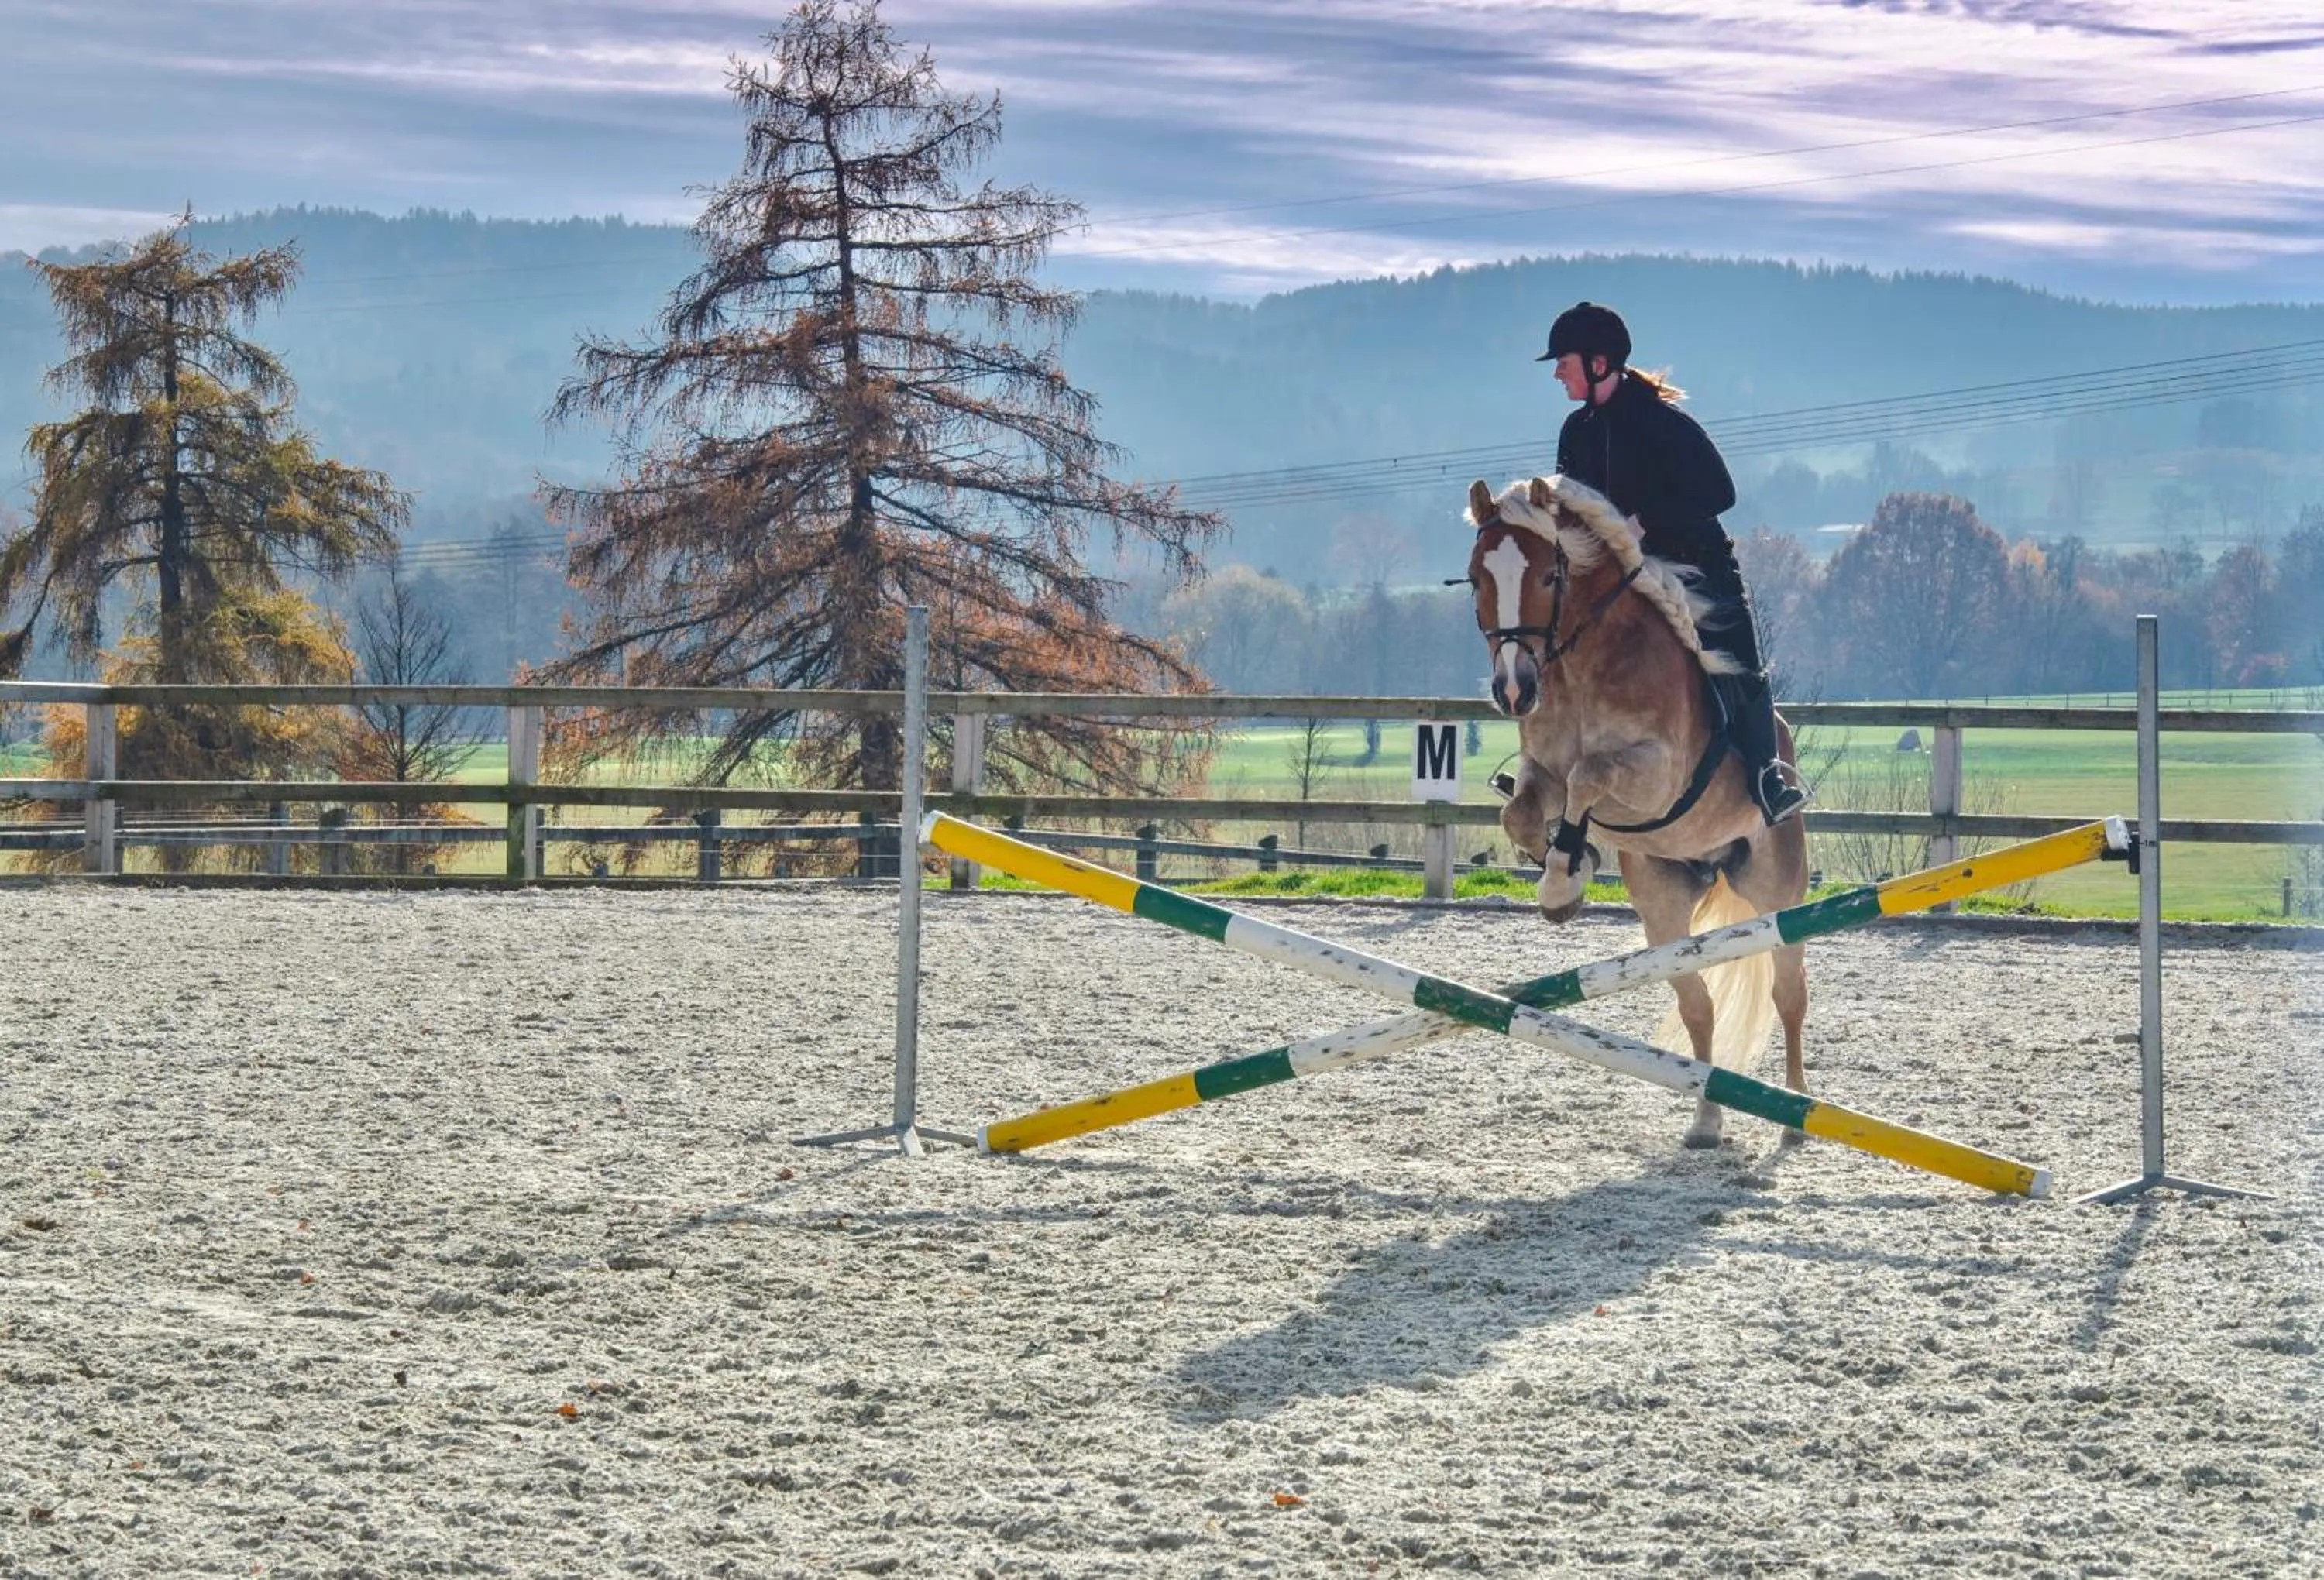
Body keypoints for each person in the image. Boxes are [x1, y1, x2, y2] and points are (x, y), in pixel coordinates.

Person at [1540, 300, 1807, 825]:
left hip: (1693, 566)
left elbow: (1721, 492)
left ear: (1598, 364)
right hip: (1619, 578)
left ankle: (1766, 776)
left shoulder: (1665, 424)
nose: (1557, 374)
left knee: (1739, 658)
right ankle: (1544, 766)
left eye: (1563, 363)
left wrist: (1646, 522)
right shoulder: (1576, 431)